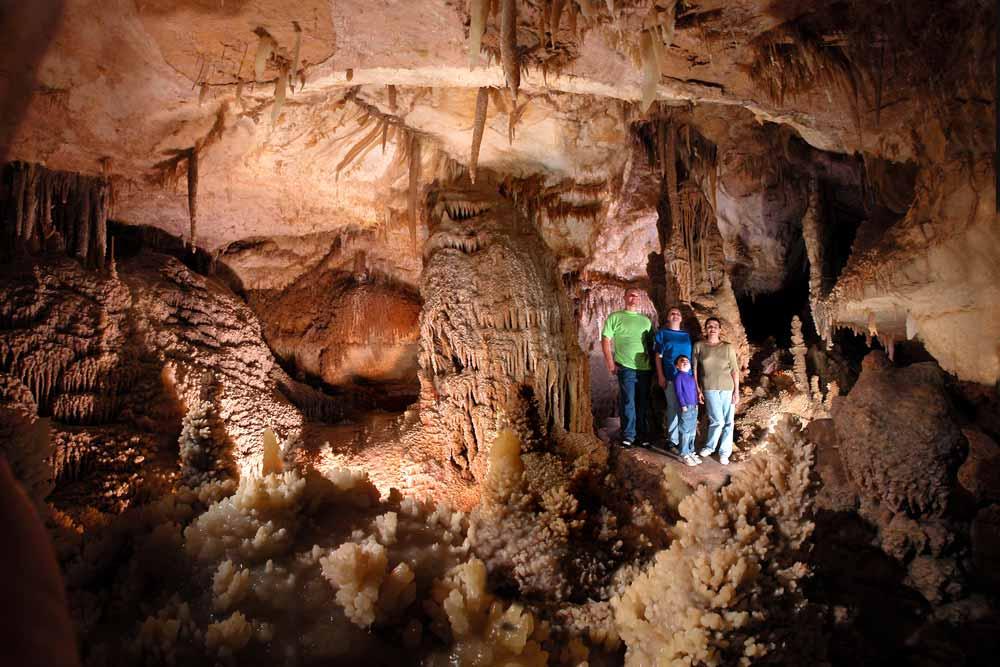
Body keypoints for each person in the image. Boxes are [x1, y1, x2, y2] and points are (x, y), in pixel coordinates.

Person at [601, 288, 653, 448]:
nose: (634, 298)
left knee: (642, 402)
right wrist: (610, 363)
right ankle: (629, 435)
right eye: (631, 295)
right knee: (628, 401)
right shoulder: (615, 317)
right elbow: (605, 339)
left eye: (637, 296)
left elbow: (650, 344)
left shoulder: (646, 321)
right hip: (626, 366)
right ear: (624, 297)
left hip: (644, 367)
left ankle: (642, 435)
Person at [693, 317, 740, 465]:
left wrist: (736, 391)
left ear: (720, 329)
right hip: (709, 387)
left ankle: (724, 453)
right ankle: (710, 446)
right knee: (717, 420)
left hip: (728, 387)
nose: (712, 328)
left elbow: (734, 370)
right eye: (709, 326)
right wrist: (697, 388)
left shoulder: (727, 347)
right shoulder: (699, 346)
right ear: (706, 329)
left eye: (715, 326)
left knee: (728, 422)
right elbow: (694, 369)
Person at [653, 306, 692, 451]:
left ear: (681, 318)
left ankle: (685, 438)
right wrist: (661, 375)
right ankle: (672, 439)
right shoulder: (662, 334)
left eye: (678, 313)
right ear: (668, 317)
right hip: (670, 375)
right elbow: (658, 357)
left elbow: (690, 356)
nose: (675, 315)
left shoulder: (686, 335)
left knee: (686, 408)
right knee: (673, 407)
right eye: (672, 313)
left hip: (687, 377)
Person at [672, 355, 701, 466]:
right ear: (677, 366)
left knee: (692, 431)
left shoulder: (691, 377)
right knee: (685, 430)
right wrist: (683, 405)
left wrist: (697, 404)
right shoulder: (679, 377)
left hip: (693, 407)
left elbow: (694, 392)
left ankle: (690, 451)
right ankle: (684, 454)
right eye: (681, 361)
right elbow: (679, 392)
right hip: (686, 407)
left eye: (687, 361)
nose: (685, 362)